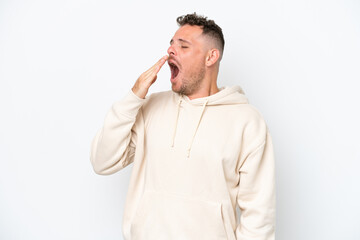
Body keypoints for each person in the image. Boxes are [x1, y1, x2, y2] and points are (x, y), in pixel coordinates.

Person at [90, 13, 276, 240]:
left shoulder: (247, 121)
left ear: (211, 57)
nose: (171, 51)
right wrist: (133, 97)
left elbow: (259, 216)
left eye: (184, 46)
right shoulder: (150, 107)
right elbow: (102, 161)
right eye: (171, 45)